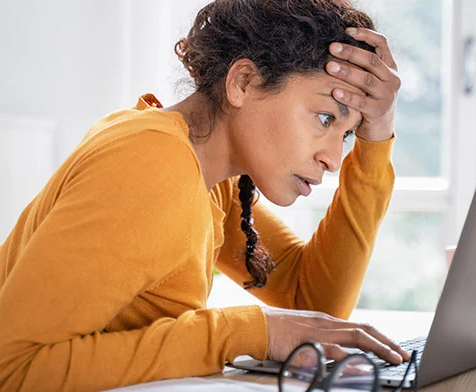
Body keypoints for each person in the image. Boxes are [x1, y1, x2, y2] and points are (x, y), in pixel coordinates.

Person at [0, 0, 408, 390]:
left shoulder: (211, 178)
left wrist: (378, 134)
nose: (335, 159)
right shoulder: (152, 163)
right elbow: (11, 368)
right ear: (243, 82)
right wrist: (243, 332)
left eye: (349, 134)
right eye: (325, 118)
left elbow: (313, 303)